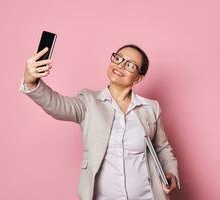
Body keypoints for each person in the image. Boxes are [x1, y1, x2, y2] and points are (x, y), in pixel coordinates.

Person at [19, 44, 180, 200]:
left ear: (138, 78)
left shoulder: (150, 108)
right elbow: (57, 105)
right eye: (118, 58)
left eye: (130, 65)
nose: (121, 65)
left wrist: (170, 172)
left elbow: (162, 147)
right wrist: (31, 81)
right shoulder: (89, 101)